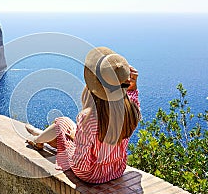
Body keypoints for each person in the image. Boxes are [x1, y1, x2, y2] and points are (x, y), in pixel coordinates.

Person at [25, 47, 141, 183]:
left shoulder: (89, 118)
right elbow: (132, 98)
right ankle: (41, 137)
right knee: (70, 134)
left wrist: (75, 141)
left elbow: (81, 162)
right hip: (116, 170)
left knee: (62, 123)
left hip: (89, 174)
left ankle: (38, 140)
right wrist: (133, 86)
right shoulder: (131, 110)